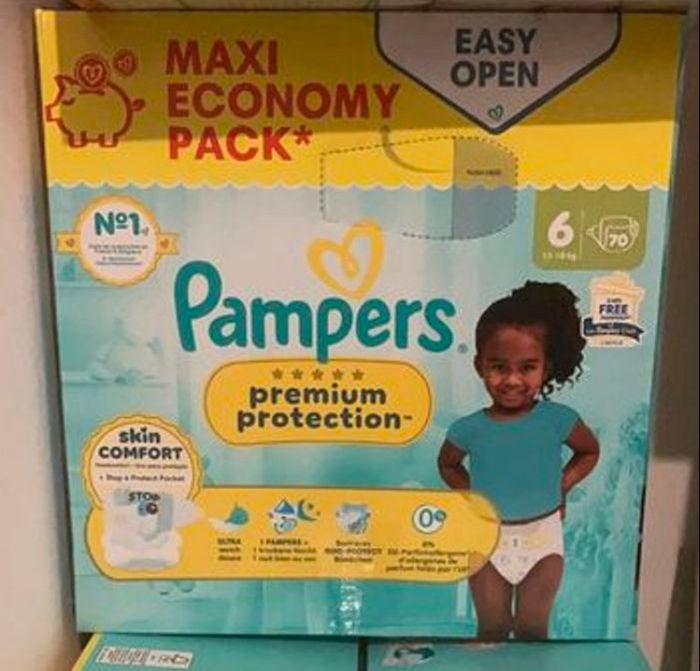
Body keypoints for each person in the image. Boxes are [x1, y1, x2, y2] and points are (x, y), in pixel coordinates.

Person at [438, 281, 600, 641]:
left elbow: (589, 451)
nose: (512, 380)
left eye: (527, 367)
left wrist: (563, 483)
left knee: (533, 630)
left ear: (546, 367)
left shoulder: (558, 419)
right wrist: (472, 494)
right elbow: (447, 464)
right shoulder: (468, 428)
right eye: (499, 366)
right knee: (491, 631)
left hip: (542, 540)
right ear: (479, 365)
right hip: (487, 539)